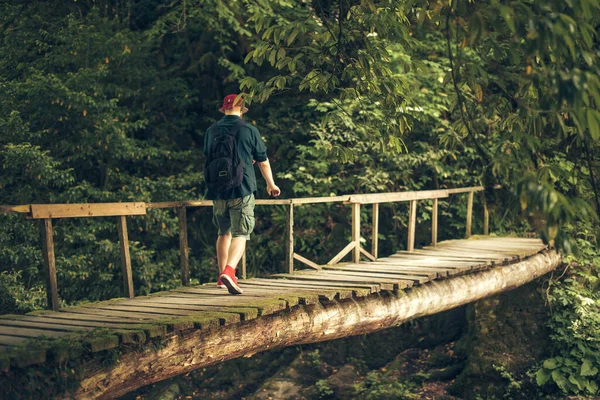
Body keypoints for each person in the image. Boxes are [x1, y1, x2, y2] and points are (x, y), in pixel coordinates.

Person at [204, 94, 280, 295]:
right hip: (242, 187)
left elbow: (210, 156)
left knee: (223, 232)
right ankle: (230, 271)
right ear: (242, 109)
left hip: (217, 190)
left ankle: (221, 276)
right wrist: (270, 184)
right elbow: (262, 161)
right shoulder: (249, 130)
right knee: (241, 232)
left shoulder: (211, 131)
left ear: (224, 109)